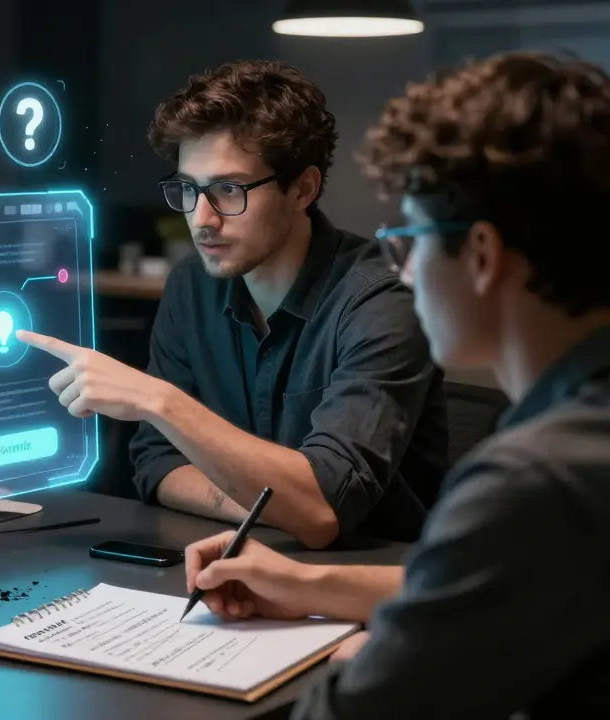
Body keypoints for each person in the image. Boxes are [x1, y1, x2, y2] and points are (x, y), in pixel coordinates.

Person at [185, 52, 610, 718]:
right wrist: (308, 585)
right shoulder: (578, 444)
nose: (403, 273)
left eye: (410, 241)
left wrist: (369, 662)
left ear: (481, 256)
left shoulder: (534, 481)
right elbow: (490, 578)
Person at [20, 60, 446, 548]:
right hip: (243, 566)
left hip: (372, 579)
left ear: (303, 189)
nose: (202, 219)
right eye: (188, 189)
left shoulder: (383, 300)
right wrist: (273, 509)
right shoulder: (192, 286)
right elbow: (157, 464)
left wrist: (158, 401)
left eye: (228, 189)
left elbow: (322, 508)